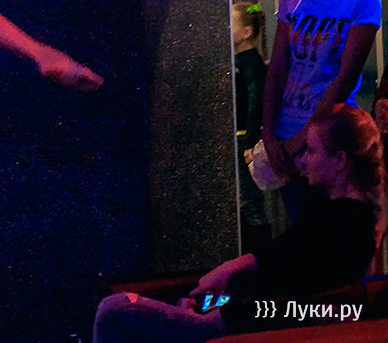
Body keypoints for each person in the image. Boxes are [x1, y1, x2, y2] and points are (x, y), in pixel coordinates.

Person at [93, 102, 385, 341]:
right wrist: (214, 300)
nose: (303, 160)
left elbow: (289, 294)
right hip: (241, 318)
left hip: (242, 329)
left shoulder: (340, 222)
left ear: (339, 159)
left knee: (115, 309)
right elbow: (281, 274)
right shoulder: (346, 218)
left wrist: (221, 303)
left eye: (311, 151)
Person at [261, 0, 380, 222]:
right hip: (286, 131)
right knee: (299, 229)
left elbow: (345, 79)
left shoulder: (362, 0)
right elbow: (277, 70)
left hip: (329, 138)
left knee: (331, 230)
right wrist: (270, 135)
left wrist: (300, 141)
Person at [232, 2, 270, 253]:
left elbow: (256, 103)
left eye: (232, 24)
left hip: (245, 138)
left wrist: (249, 141)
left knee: (249, 201)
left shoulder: (250, 63)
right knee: (244, 199)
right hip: (240, 137)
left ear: (247, 32)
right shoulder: (237, 60)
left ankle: (260, 255)